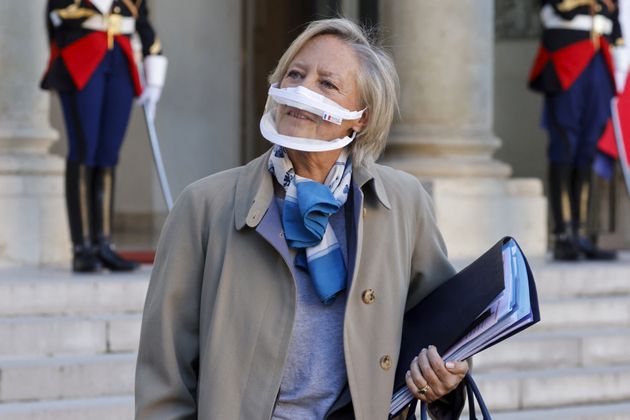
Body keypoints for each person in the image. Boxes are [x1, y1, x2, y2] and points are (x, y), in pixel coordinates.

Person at [135, 18, 468, 420]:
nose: (301, 90)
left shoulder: (404, 200)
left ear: (361, 116)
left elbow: (442, 326)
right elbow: (165, 371)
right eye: (295, 74)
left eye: (327, 83)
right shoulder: (204, 206)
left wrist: (446, 378)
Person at [41, 0, 167, 272]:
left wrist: (154, 75)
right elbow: (57, 15)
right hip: (81, 55)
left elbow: (143, 24)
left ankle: (103, 243)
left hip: (120, 60)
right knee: (84, 149)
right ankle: (82, 246)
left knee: (109, 153)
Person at [528, 0, 625, 260]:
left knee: (587, 150)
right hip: (566, 58)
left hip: (599, 61)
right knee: (564, 146)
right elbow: (562, 7)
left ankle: (580, 233)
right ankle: (562, 235)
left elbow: (613, 18)